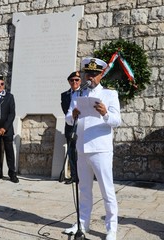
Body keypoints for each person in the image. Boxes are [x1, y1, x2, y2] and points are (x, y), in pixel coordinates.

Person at [64, 58, 122, 240]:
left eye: (95, 74)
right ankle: (83, 223)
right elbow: (67, 118)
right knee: (84, 189)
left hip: (101, 148)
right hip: (82, 147)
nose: (91, 77)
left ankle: (111, 229)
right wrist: (72, 115)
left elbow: (117, 121)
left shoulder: (110, 95)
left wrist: (105, 113)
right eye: (88, 73)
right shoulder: (78, 94)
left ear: (101, 75)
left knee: (107, 190)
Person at [61, 71, 82, 184]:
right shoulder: (64, 95)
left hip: (82, 127)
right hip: (70, 126)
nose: (74, 82)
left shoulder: (84, 93)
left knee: (81, 153)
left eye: (77, 80)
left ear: (80, 81)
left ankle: (83, 176)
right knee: (71, 152)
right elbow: (65, 111)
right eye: (72, 80)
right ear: (69, 82)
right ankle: (74, 176)